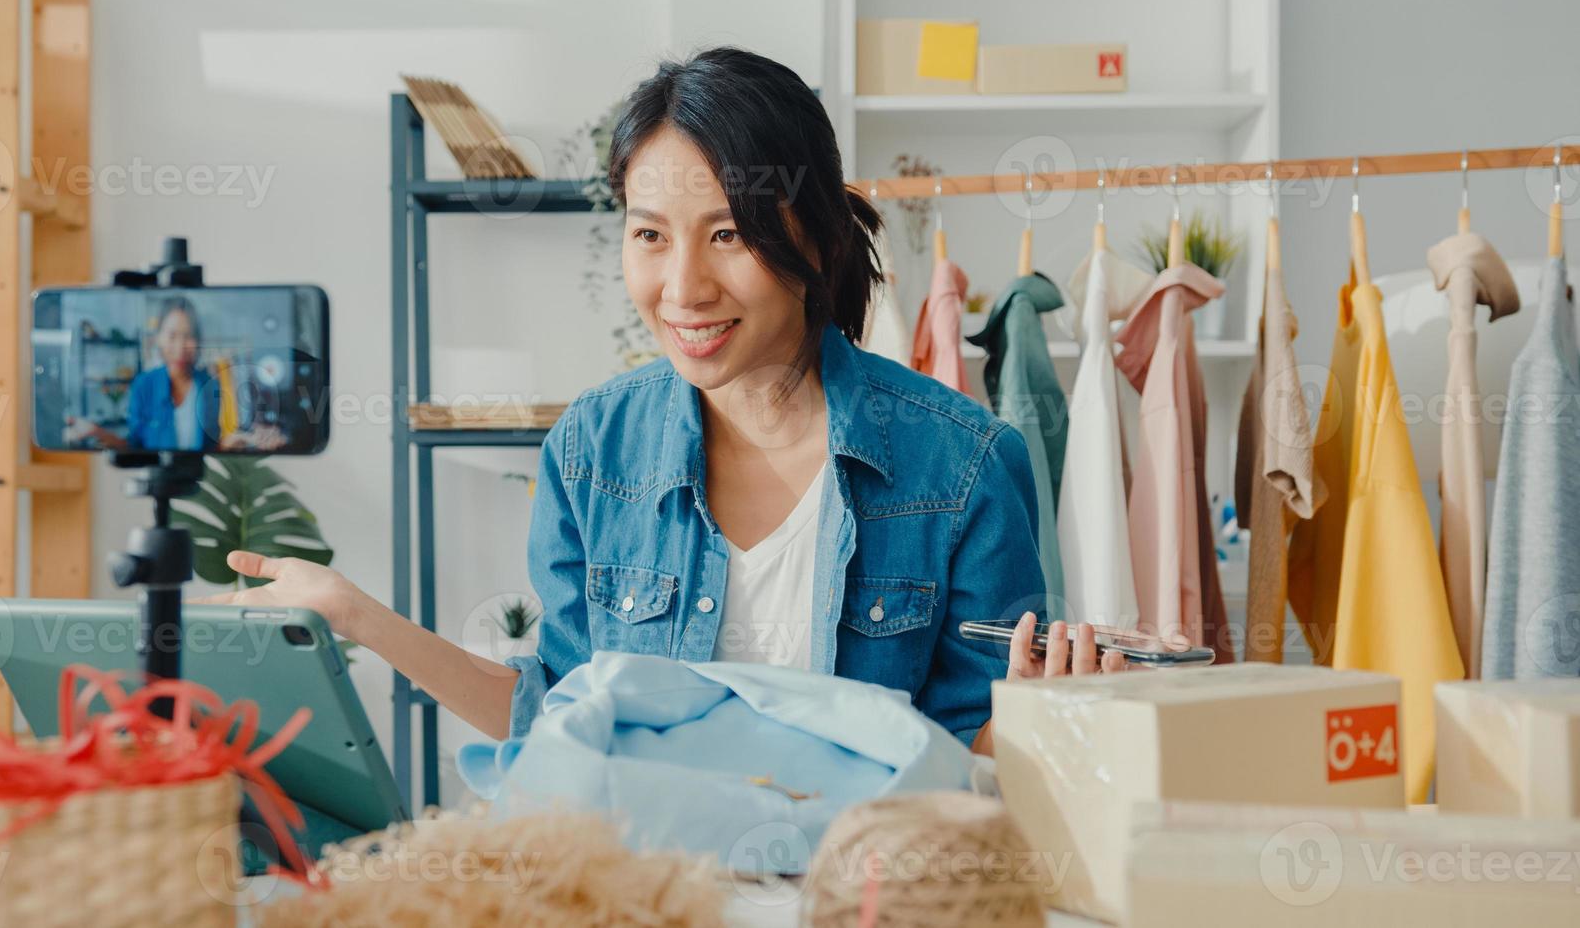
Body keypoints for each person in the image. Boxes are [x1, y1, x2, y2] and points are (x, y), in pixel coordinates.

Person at [206, 47, 1123, 756]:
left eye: (727, 233)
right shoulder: (590, 452)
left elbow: (969, 760)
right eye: (650, 235)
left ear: (811, 234)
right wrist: (356, 614)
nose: (681, 287)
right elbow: (552, 720)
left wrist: (1046, 719)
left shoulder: (962, 465)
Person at [69, 297, 284, 453]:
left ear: (198, 340)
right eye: (172, 336)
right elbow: (135, 446)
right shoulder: (144, 385)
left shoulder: (211, 384)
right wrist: (98, 432)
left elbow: (211, 446)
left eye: (188, 336)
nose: (180, 346)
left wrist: (233, 443)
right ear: (158, 339)